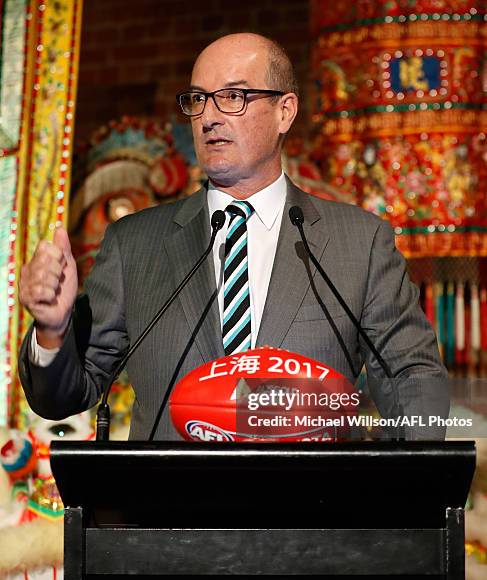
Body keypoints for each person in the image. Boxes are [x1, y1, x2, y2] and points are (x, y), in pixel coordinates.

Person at [18, 33, 449, 440]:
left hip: (312, 510)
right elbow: (63, 397)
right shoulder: (134, 245)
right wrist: (52, 331)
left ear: (285, 111)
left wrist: (392, 490)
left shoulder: (360, 243)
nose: (208, 116)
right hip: (169, 511)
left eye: (233, 97)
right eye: (198, 99)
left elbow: (414, 380)